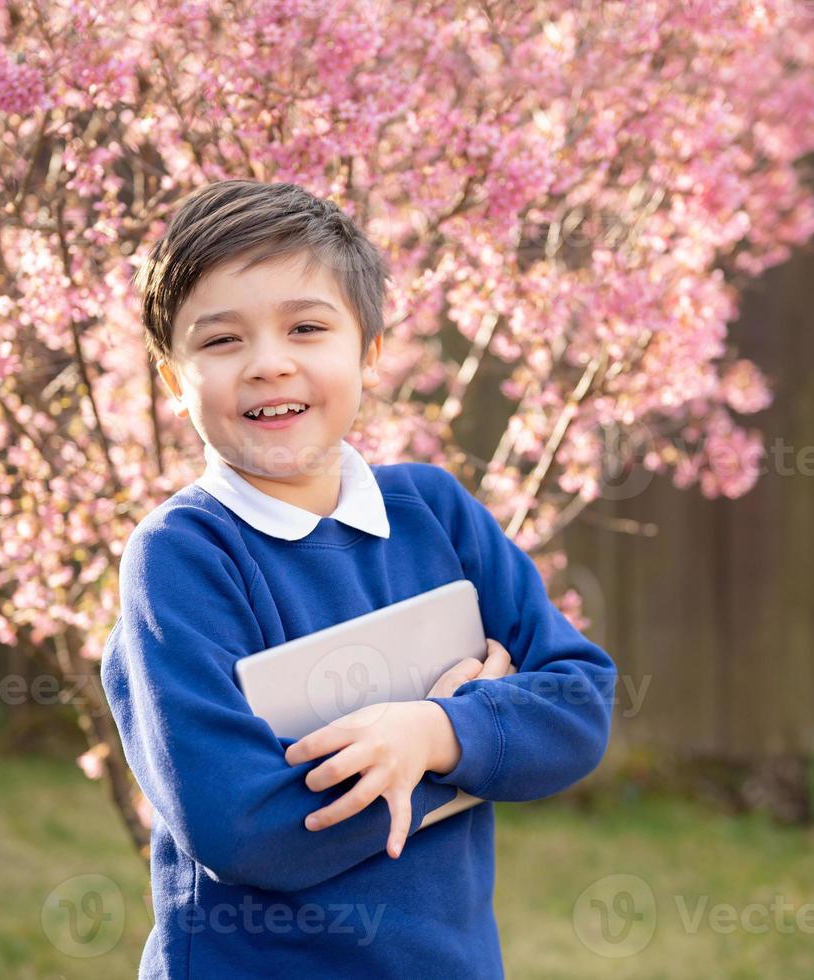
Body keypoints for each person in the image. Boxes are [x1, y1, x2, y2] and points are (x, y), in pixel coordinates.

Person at [100, 178, 618, 978]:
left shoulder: (434, 512)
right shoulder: (183, 556)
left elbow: (578, 704)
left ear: (368, 352)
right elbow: (240, 825)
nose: (269, 365)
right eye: (221, 341)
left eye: (306, 328)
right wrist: (459, 740)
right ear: (173, 379)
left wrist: (441, 733)